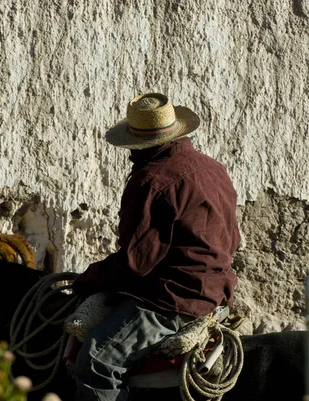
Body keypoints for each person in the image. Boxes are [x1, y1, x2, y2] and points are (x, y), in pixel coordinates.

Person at [72, 92, 240, 401]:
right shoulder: (213, 168)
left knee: (96, 364)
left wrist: (88, 278)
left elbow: (135, 263)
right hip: (218, 289)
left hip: (173, 300)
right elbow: (234, 239)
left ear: (139, 144)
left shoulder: (152, 180)